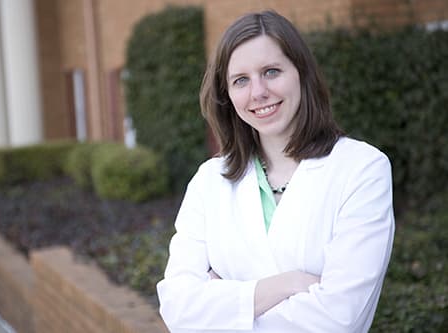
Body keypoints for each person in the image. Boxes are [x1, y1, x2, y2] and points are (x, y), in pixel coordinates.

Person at [156, 10, 394, 333]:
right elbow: (177, 307)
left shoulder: (361, 170)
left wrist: (223, 304)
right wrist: (287, 285)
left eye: (271, 72)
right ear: (227, 95)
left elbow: (339, 318)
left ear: (301, 73)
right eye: (241, 80)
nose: (258, 92)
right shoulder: (208, 182)